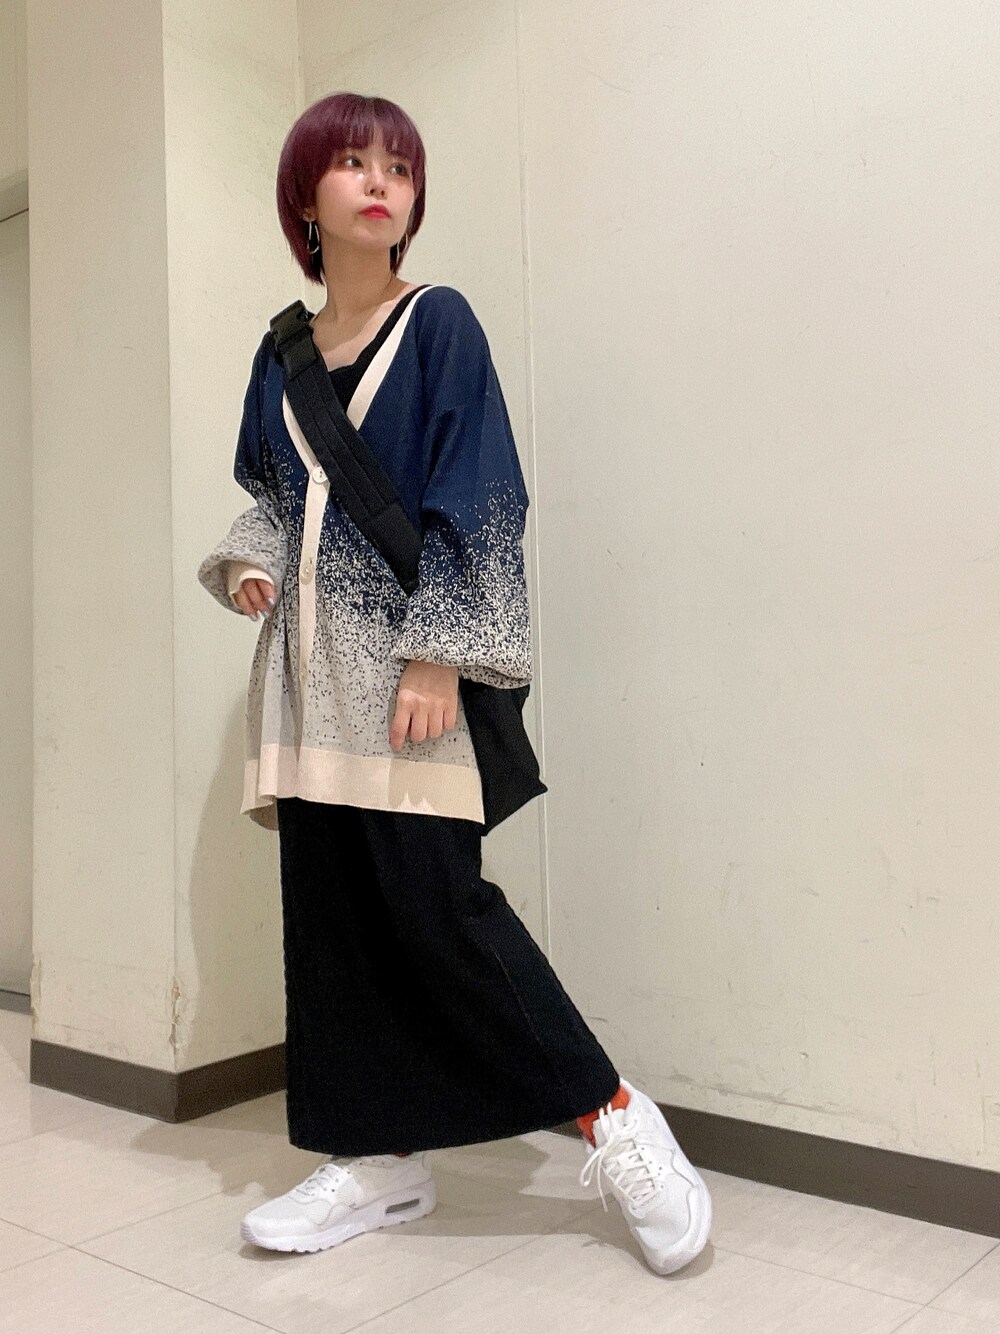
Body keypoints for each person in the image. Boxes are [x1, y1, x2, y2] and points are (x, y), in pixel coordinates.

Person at [197, 92, 711, 1276]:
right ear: (306, 197)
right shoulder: (279, 353)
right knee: (333, 923)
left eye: (399, 166)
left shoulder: (439, 323)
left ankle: (612, 1115)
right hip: (303, 684)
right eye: (352, 162)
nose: (381, 181)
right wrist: (249, 562)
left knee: (441, 911)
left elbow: (481, 492)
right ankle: (378, 1153)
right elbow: (273, 493)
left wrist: (440, 650)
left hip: (405, 676)